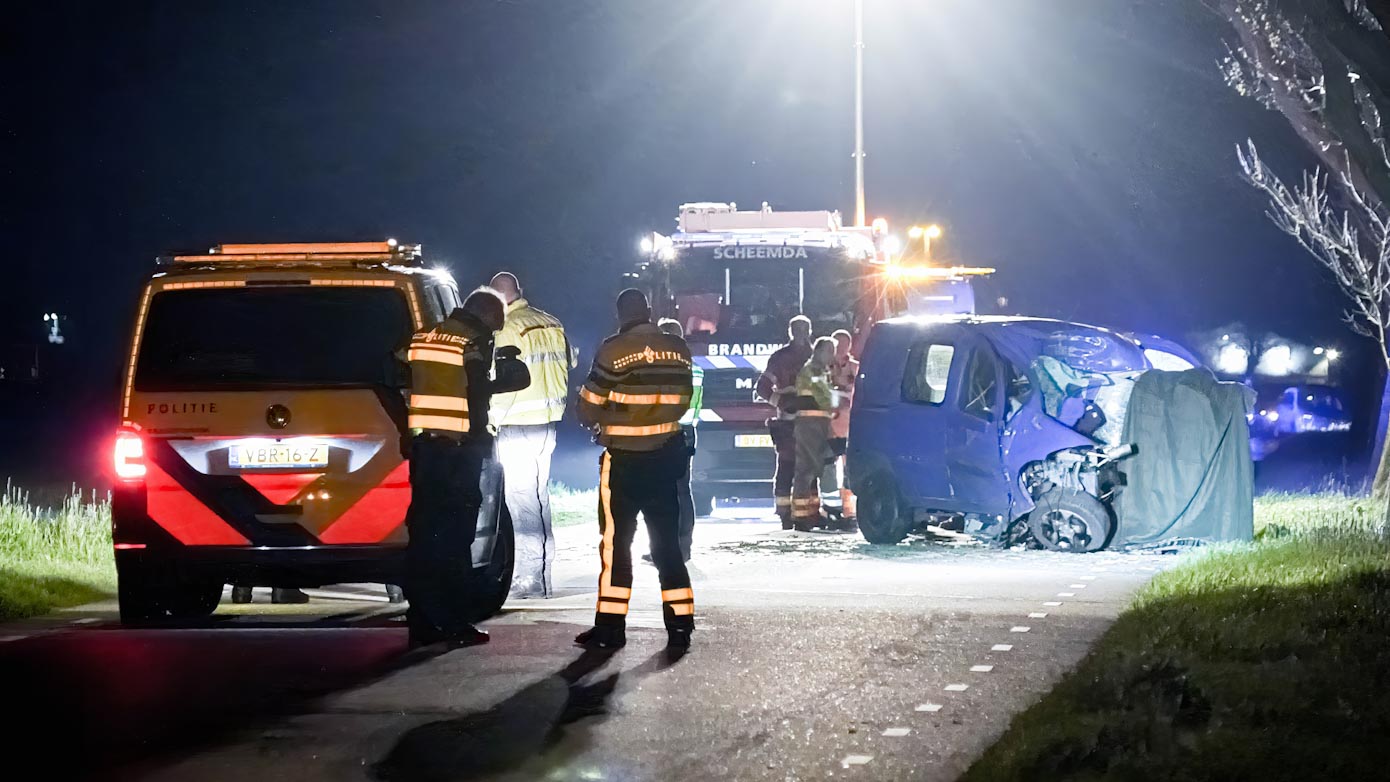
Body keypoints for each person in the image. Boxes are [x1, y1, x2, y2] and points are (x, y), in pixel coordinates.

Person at [403, 287, 530, 649]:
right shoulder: (473, 340)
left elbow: (397, 373)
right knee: (457, 537)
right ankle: (455, 622)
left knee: (424, 536)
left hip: (426, 447)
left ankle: (422, 620)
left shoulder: (423, 336)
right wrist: (505, 383)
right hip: (459, 451)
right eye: (498, 323)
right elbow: (475, 392)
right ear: (488, 315)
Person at [574, 289, 695, 650]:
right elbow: (684, 398)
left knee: (616, 545)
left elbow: (587, 408)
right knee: (667, 545)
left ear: (620, 315)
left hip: (625, 461)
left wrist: (611, 417)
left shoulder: (614, 349)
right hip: (666, 458)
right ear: (649, 311)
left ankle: (610, 628)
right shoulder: (678, 348)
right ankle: (680, 622)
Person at [488, 271, 576, 599]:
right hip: (548, 423)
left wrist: (491, 419)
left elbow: (507, 381)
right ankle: (542, 572)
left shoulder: (508, 328)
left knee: (521, 502)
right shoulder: (551, 323)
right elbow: (569, 361)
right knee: (539, 498)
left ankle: (529, 579)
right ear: (520, 291)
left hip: (517, 423)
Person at [650, 317, 702, 563]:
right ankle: (683, 548)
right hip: (688, 432)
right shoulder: (695, 367)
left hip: (667, 432)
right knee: (682, 491)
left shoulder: (664, 368)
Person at [754, 316, 814, 529]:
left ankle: (809, 513)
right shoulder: (780, 358)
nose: (801, 332)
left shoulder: (815, 356)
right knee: (787, 466)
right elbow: (762, 387)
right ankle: (785, 513)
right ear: (790, 331)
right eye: (797, 328)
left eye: (804, 328)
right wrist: (781, 401)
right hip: (788, 423)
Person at [791, 337, 837, 531]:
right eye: (829, 350)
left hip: (817, 424)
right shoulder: (813, 371)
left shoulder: (821, 371)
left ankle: (812, 513)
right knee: (807, 468)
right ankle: (801, 517)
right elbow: (825, 397)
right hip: (810, 425)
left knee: (816, 467)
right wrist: (841, 400)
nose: (832, 355)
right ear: (817, 351)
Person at [828, 329, 859, 530]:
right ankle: (830, 509)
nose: (840, 347)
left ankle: (851, 512)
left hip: (849, 425)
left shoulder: (855, 367)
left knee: (849, 471)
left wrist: (844, 393)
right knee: (827, 468)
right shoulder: (823, 368)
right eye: (836, 344)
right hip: (829, 426)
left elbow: (860, 390)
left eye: (843, 343)